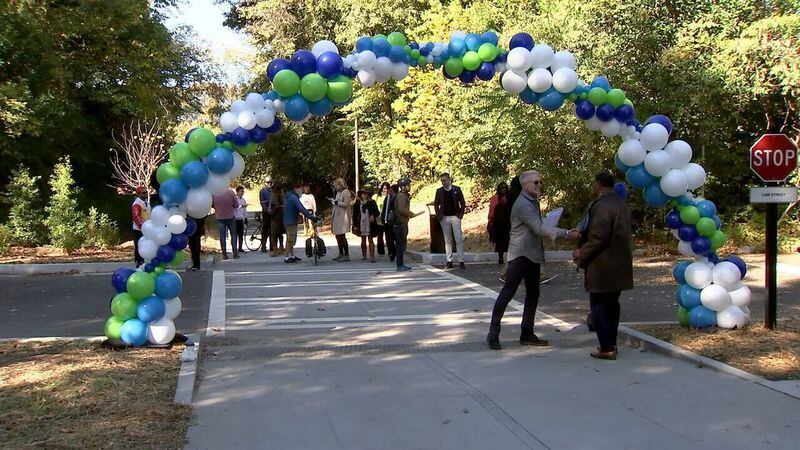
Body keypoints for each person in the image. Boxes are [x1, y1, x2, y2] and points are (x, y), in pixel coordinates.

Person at [486, 170, 580, 350]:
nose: (539, 185)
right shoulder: (523, 204)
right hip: (520, 254)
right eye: (535, 182)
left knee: (533, 293)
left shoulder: (532, 201)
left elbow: (537, 225)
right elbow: (538, 228)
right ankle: (493, 332)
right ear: (525, 185)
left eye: (540, 182)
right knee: (508, 292)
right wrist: (566, 233)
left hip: (532, 254)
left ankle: (527, 332)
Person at [573, 172, 633, 360]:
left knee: (598, 305)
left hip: (602, 265)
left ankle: (606, 347)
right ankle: (612, 343)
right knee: (612, 305)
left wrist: (581, 253)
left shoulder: (601, 206)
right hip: (619, 263)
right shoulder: (621, 205)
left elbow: (598, 237)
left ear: (598, 184)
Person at [434, 172, 467, 270]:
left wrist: (460, 214)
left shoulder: (456, 189)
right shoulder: (439, 191)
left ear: (449, 179)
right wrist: (439, 215)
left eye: (445, 180)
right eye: (442, 181)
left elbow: (462, 202)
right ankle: (449, 260)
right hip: (444, 217)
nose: (443, 183)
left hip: (455, 216)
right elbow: (436, 204)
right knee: (447, 240)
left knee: (458, 239)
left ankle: (461, 260)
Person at [283, 183, 318, 263]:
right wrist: (311, 217)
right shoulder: (293, 197)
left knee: (290, 239)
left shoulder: (289, 196)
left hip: (288, 220)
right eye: (300, 189)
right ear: (296, 188)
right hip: (291, 221)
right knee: (290, 240)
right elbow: (301, 209)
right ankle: (287, 257)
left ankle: (292, 255)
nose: (301, 191)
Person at [352, 187, 380, 262]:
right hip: (360, 223)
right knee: (363, 239)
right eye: (363, 194)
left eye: (366, 194)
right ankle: (364, 255)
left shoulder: (372, 202)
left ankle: (372, 256)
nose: (364, 195)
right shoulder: (357, 204)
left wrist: (373, 215)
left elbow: (377, 212)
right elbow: (354, 215)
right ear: (360, 195)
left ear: (368, 195)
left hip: (370, 223)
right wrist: (354, 225)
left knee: (370, 239)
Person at [393, 178, 414, 272]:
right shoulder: (401, 196)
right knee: (401, 245)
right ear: (403, 186)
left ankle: (400, 264)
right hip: (401, 223)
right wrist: (410, 213)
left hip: (401, 222)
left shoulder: (402, 195)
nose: (409, 187)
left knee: (401, 244)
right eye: (408, 185)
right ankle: (400, 265)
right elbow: (401, 209)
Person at [212, 188, 240, 260]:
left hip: (220, 217)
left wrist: (218, 208)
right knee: (233, 235)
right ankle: (235, 253)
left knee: (222, 237)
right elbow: (236, 205)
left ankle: (224, 254)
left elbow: (212, 204)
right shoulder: (231, 193)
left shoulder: (215, 194)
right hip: (230, 217)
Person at [488, 182, 511, 265]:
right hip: (498, 223)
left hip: (508, 223)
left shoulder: (509, 198)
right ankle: (500, 258)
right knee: (499, 242)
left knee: (508, 241)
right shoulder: (495, 198)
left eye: (505, 187)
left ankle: (509, 258)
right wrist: (491, 221)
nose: (503, 189)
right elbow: (491, 210)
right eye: (502, 188)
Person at [330, 177, 352, 262]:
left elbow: (346, 203)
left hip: (342, 218)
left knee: (342, 236)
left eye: (336, 185)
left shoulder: (346, 192)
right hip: (337, 216)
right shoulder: (338, 192)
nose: (335, 187)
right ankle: (340, 253)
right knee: (338, 236)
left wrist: (336, 202)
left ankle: (346, 255)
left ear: (340, 184)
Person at [131, 186, 151, 267]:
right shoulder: (137, 204)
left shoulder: (146, 202)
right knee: (139, 245)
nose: (146, 194)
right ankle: (138, 262)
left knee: (145, 245)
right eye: (144, 193)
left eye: (146, 192)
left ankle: (143, 261)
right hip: (139, 229)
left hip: (146, 228)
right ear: (139, 194)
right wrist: (142, 226)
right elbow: (136, 216)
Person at [378, 182, 397, 261]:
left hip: (394, 221)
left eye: (390, 190)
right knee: (388, 239)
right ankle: (391, 253)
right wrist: (383, 219)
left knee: (395, 237)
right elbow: (385, 209)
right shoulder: (387, 198)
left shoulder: (396, 198)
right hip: (386, 221)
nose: (388, 191)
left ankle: (395, 251)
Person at [268, 185, 285, 257]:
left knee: (274, 234)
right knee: (279, 233)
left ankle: (275, 249)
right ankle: (281, 247)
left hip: (275, 218)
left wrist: (270, 209)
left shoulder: (274, 196)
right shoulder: (281, 196)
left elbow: (271, 208)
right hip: (280, 217)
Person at [259, 177, 274, 253]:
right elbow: (262, 202)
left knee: (273, 230)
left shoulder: (274, 191)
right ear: (264, 183)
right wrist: (267, 210)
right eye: (267, 182)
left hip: (273, 213)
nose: (269, 184)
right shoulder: (262, 191)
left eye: (270, 182)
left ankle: (272, 246)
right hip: (266, 213)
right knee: (265, 230)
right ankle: (263, 246)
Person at [234, 186, 248, 253]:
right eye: (241, 191)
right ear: (237, 192)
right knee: (234, 235)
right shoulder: (235, 199)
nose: (242, 193)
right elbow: (234, 207)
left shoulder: (243, 200)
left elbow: (245, 210)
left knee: (241, 234)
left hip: (241, 219)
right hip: (235, 219)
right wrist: (241, 206)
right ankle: (234, 248)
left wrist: (245, 218)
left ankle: (240, 248)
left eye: (243, 191)